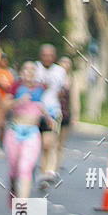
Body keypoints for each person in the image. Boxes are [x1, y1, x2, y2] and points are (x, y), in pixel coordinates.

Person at [3, 62, 51, 200]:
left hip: (32, 132)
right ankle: (13, 187)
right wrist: (18, 101)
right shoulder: (16, 87)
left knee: (25, 167)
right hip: (14, 131)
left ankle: (22, 206)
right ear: (21, 72)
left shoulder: (41, 88)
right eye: (26, 69)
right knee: (14, 169)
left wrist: (48, 116)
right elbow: (4, 106)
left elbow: (41, 104)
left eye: (32, 70)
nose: (29, 72)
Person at [35, 44, 67, 187]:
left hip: (53, 110)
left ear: (54, 57)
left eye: (50, 55)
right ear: (40, 56)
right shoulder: (35, 69)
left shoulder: (59, 71)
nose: (47, 58)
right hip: (36, 110)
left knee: (49, 143)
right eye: (44, 55)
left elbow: (63, 91)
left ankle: (47, 173)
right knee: (40, 145)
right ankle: (41, 171)